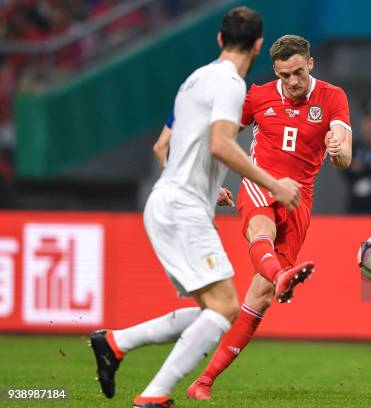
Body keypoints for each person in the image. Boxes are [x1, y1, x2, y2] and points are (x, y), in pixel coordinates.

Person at [89, 8, 303, 408]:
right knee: (224, 309)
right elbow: (221, 144)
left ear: (220, 41)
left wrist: (202, 186)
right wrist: (273, 184)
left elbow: (161, 146)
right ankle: (153, 395)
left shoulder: (194, 80)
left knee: (213, 310)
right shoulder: (230, 85)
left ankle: (115, 342)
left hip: (167, 200)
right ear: (258, 46)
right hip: (182, 208)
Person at [184, 34, 352, 400]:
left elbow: (344, 153)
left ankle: (204, 381)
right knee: (262, 227)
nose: (292, 82)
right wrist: (210, 184)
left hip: (300, 199)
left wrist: (338, 151)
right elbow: (219, 138)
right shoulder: (258, 96)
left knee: (258, 300)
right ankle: (281, 275)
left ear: (310, 64)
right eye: (283, 74)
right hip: (262, 181)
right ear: (275, 71)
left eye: (297, 72)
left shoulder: (332, 97)